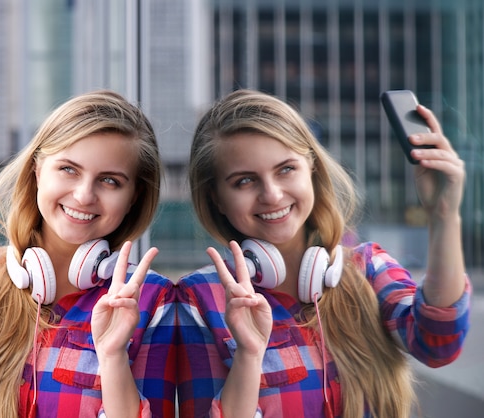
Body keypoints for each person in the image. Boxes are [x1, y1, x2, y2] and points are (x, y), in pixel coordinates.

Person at [176, 89, 471, 418]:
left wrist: (444, 216)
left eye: (286, 169)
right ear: (216, 198)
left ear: (312, 169)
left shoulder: (365, 267)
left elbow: (439, 343)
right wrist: (248, 354)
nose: (272, 195)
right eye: (244, 181)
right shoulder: (199, 299)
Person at [0, 90, 176, 418]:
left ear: (133, 197)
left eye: (110, 181)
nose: (84, 195)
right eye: (68, 169)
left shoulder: (153, 300)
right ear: (37, 170)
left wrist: (113, 359)